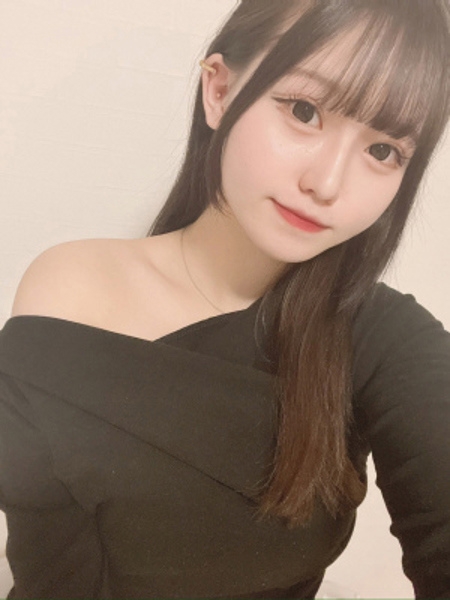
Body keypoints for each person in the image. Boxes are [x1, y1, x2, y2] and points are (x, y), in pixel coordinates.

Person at [0, 0, 449, 597]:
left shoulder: (383, 340)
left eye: (383, 150)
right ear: (219, 90)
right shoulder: (70, 288)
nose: (327, 184)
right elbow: (50, 566)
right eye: (305, 111)